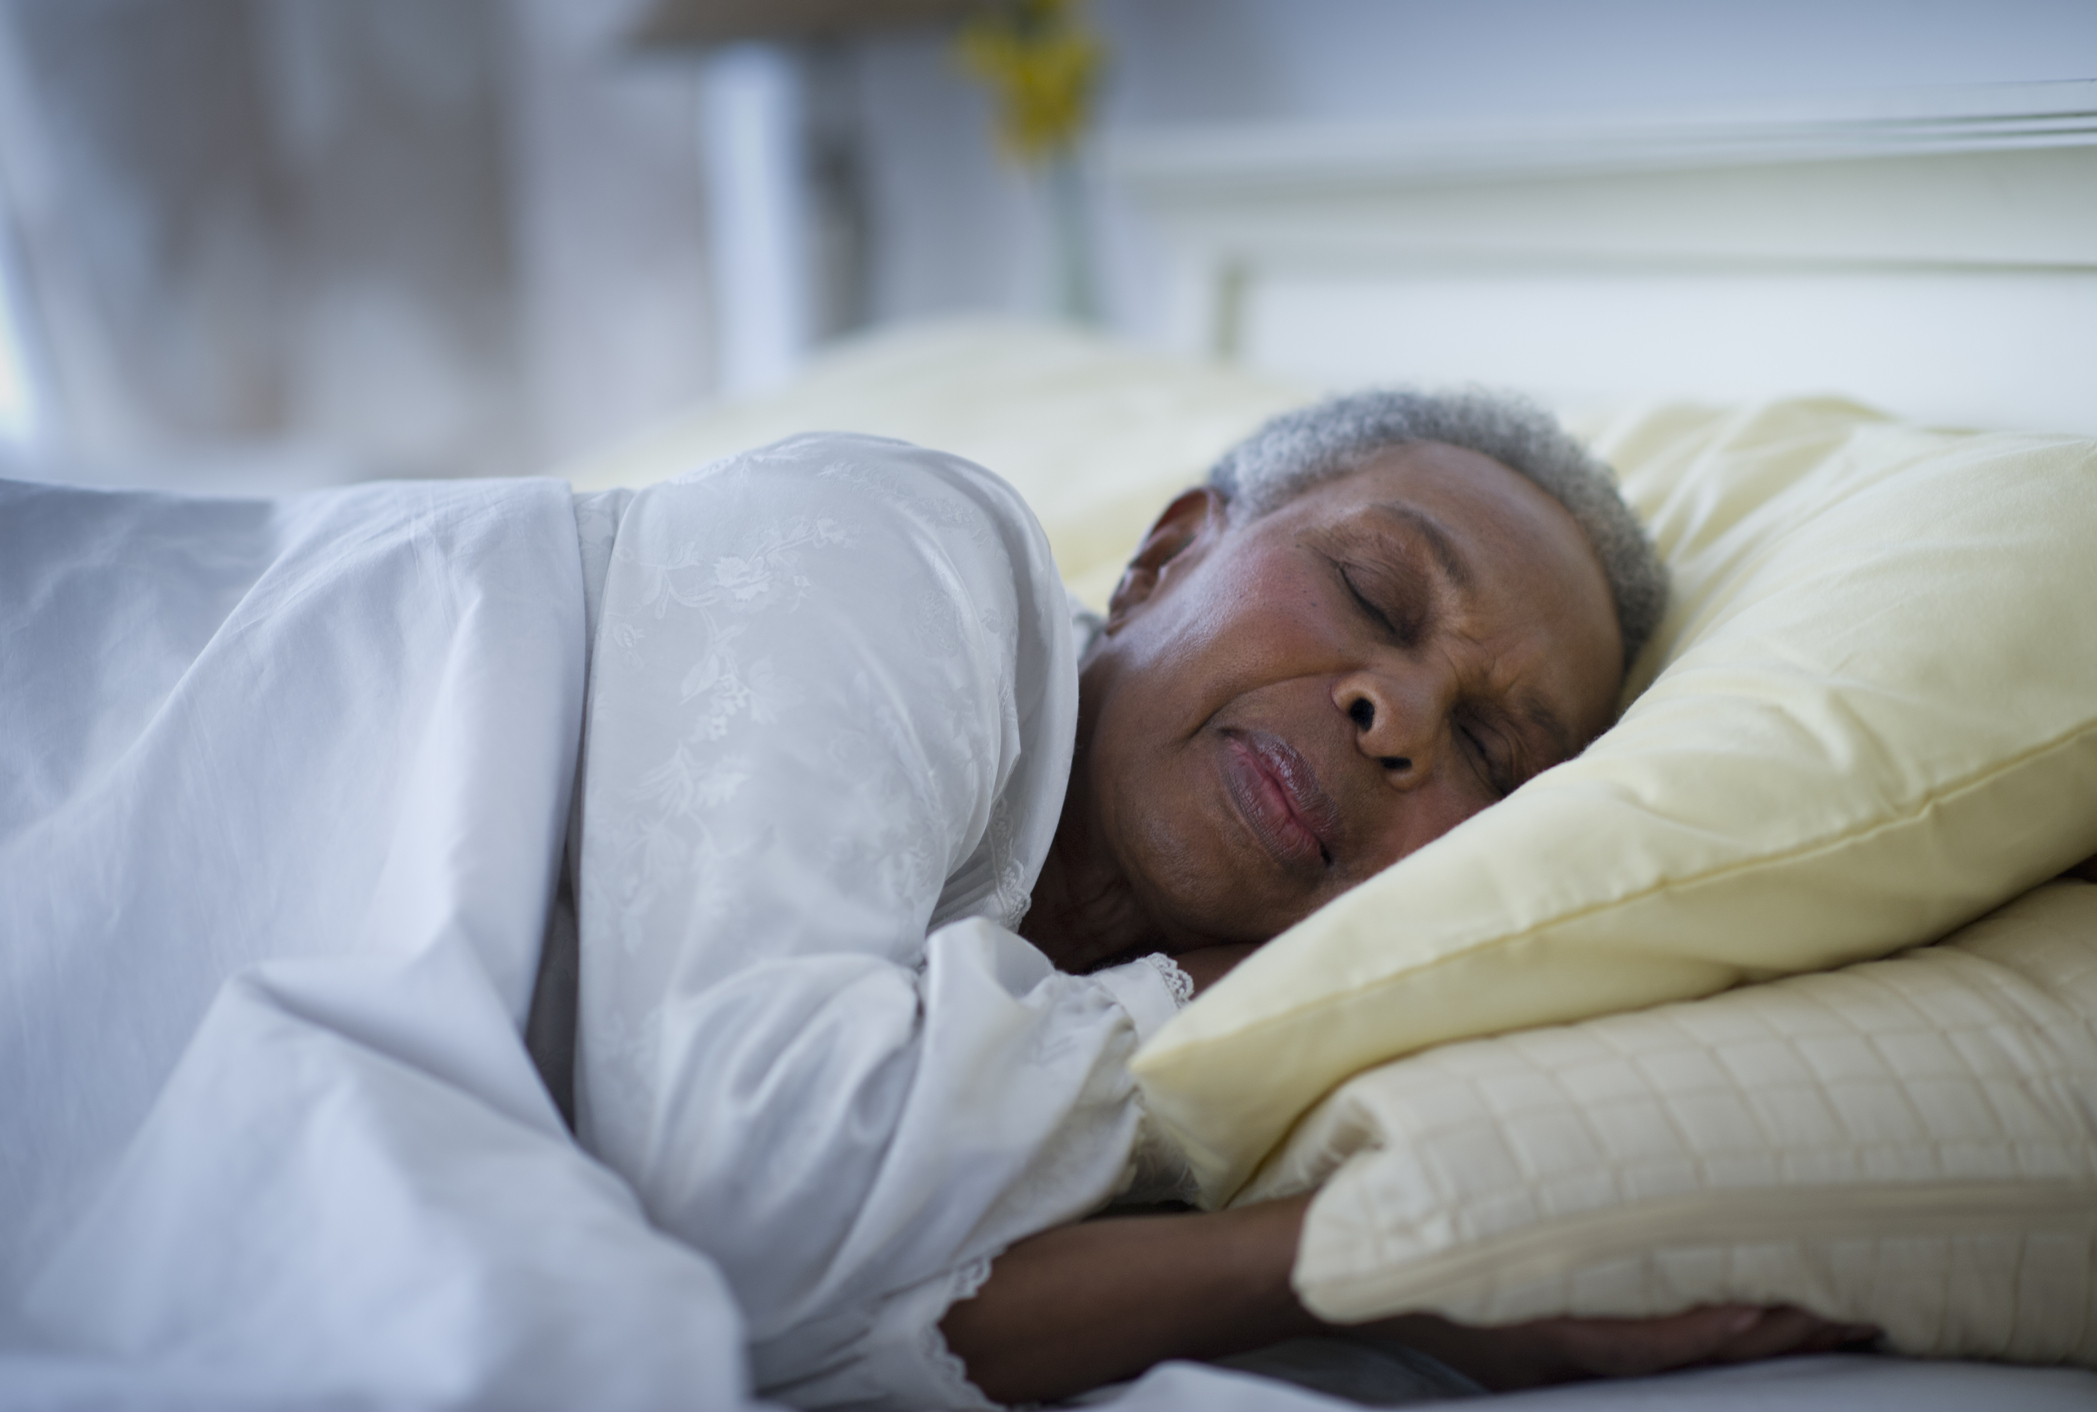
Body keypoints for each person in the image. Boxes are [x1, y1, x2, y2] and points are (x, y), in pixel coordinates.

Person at [553, 389, 1871, 1410]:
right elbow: (745, 1211)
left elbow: (804, 1328)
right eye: (1369, 588)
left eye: (1489, 757)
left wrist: (1373, 1271)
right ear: (1166, 554)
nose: (1397, 712)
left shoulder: (1191, 1083)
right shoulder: (895, 548)